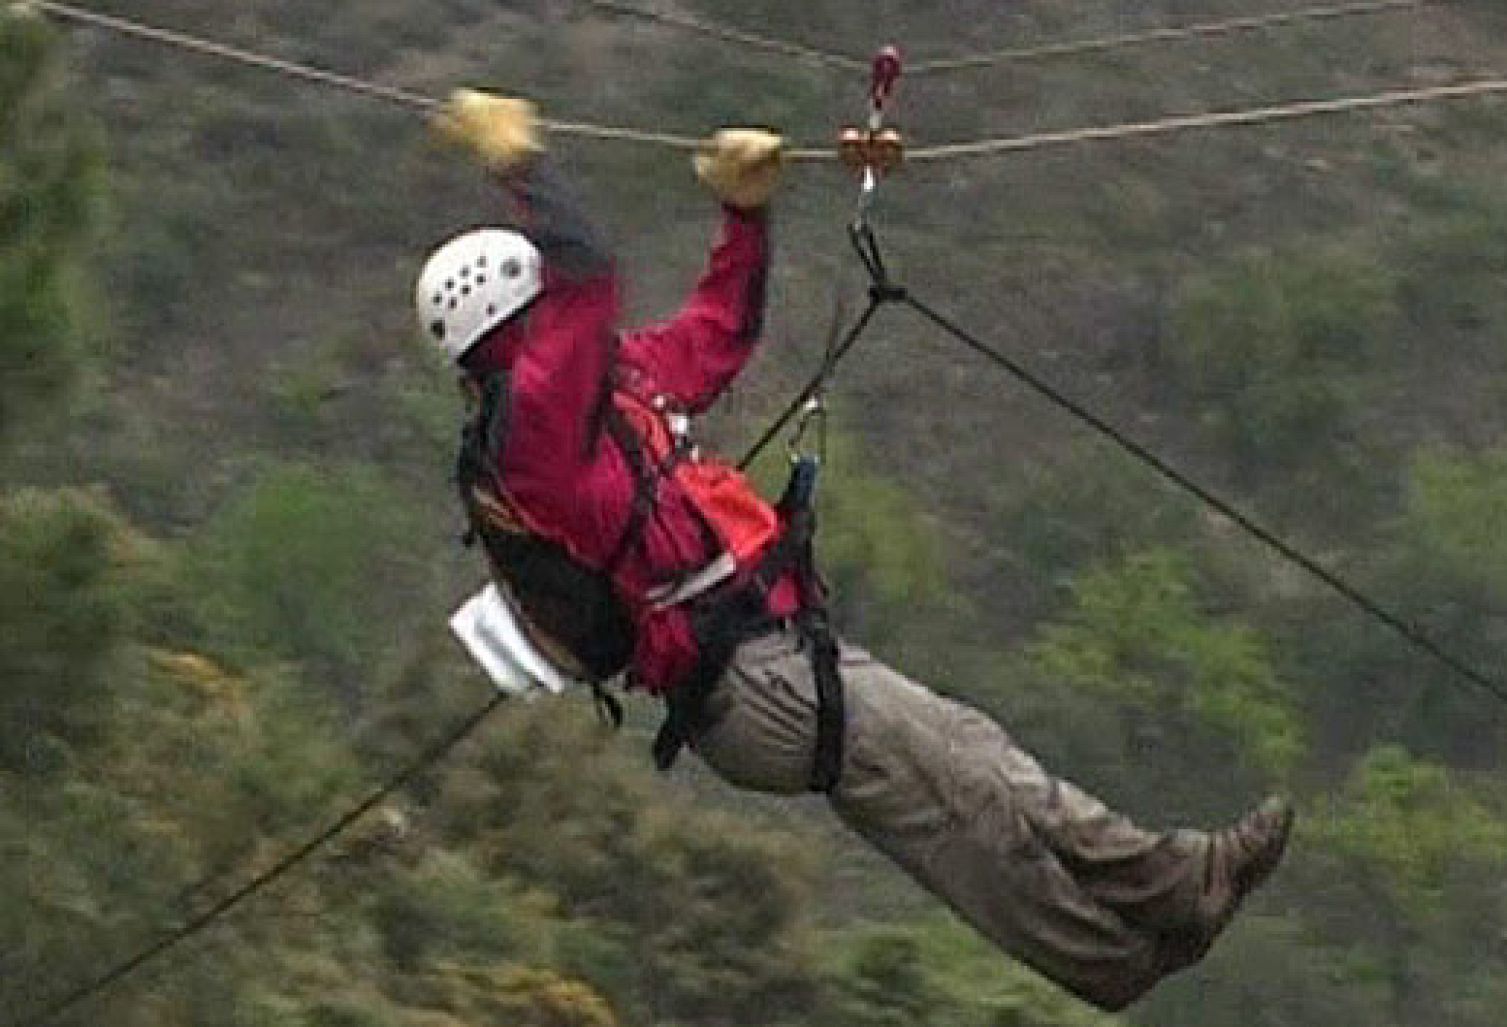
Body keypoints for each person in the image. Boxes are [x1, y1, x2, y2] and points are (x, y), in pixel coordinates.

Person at [417, 88, 1293, 1012]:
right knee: (958, 797)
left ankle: (1172, 886)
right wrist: (521, 165)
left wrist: (743, 217)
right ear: (520, 317)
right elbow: (589, 271)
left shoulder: (609, 385)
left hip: (772, 653)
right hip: (746, 680)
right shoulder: (535, 434)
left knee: (975, 753)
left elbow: (717, 337)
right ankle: (1114, 956)